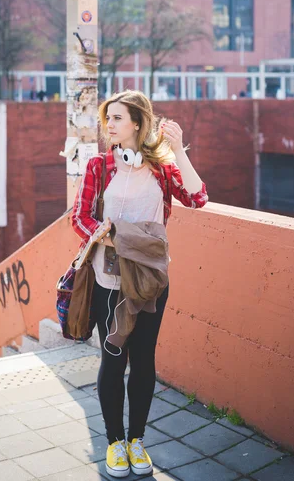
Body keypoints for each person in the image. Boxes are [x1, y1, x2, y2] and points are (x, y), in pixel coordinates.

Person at [71, 90, 208, 478]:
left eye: (116, 118)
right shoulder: (99, 165)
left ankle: (137, 440)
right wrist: (108, 235)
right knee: (113, 361)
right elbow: (79, 217)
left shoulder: (162, 168)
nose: (108, 125)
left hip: (150, 282)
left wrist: (179, 150)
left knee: (144, 361)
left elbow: (197, 198)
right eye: (107, 118)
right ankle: (115, 443)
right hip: (108, 279)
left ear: (136, 123)